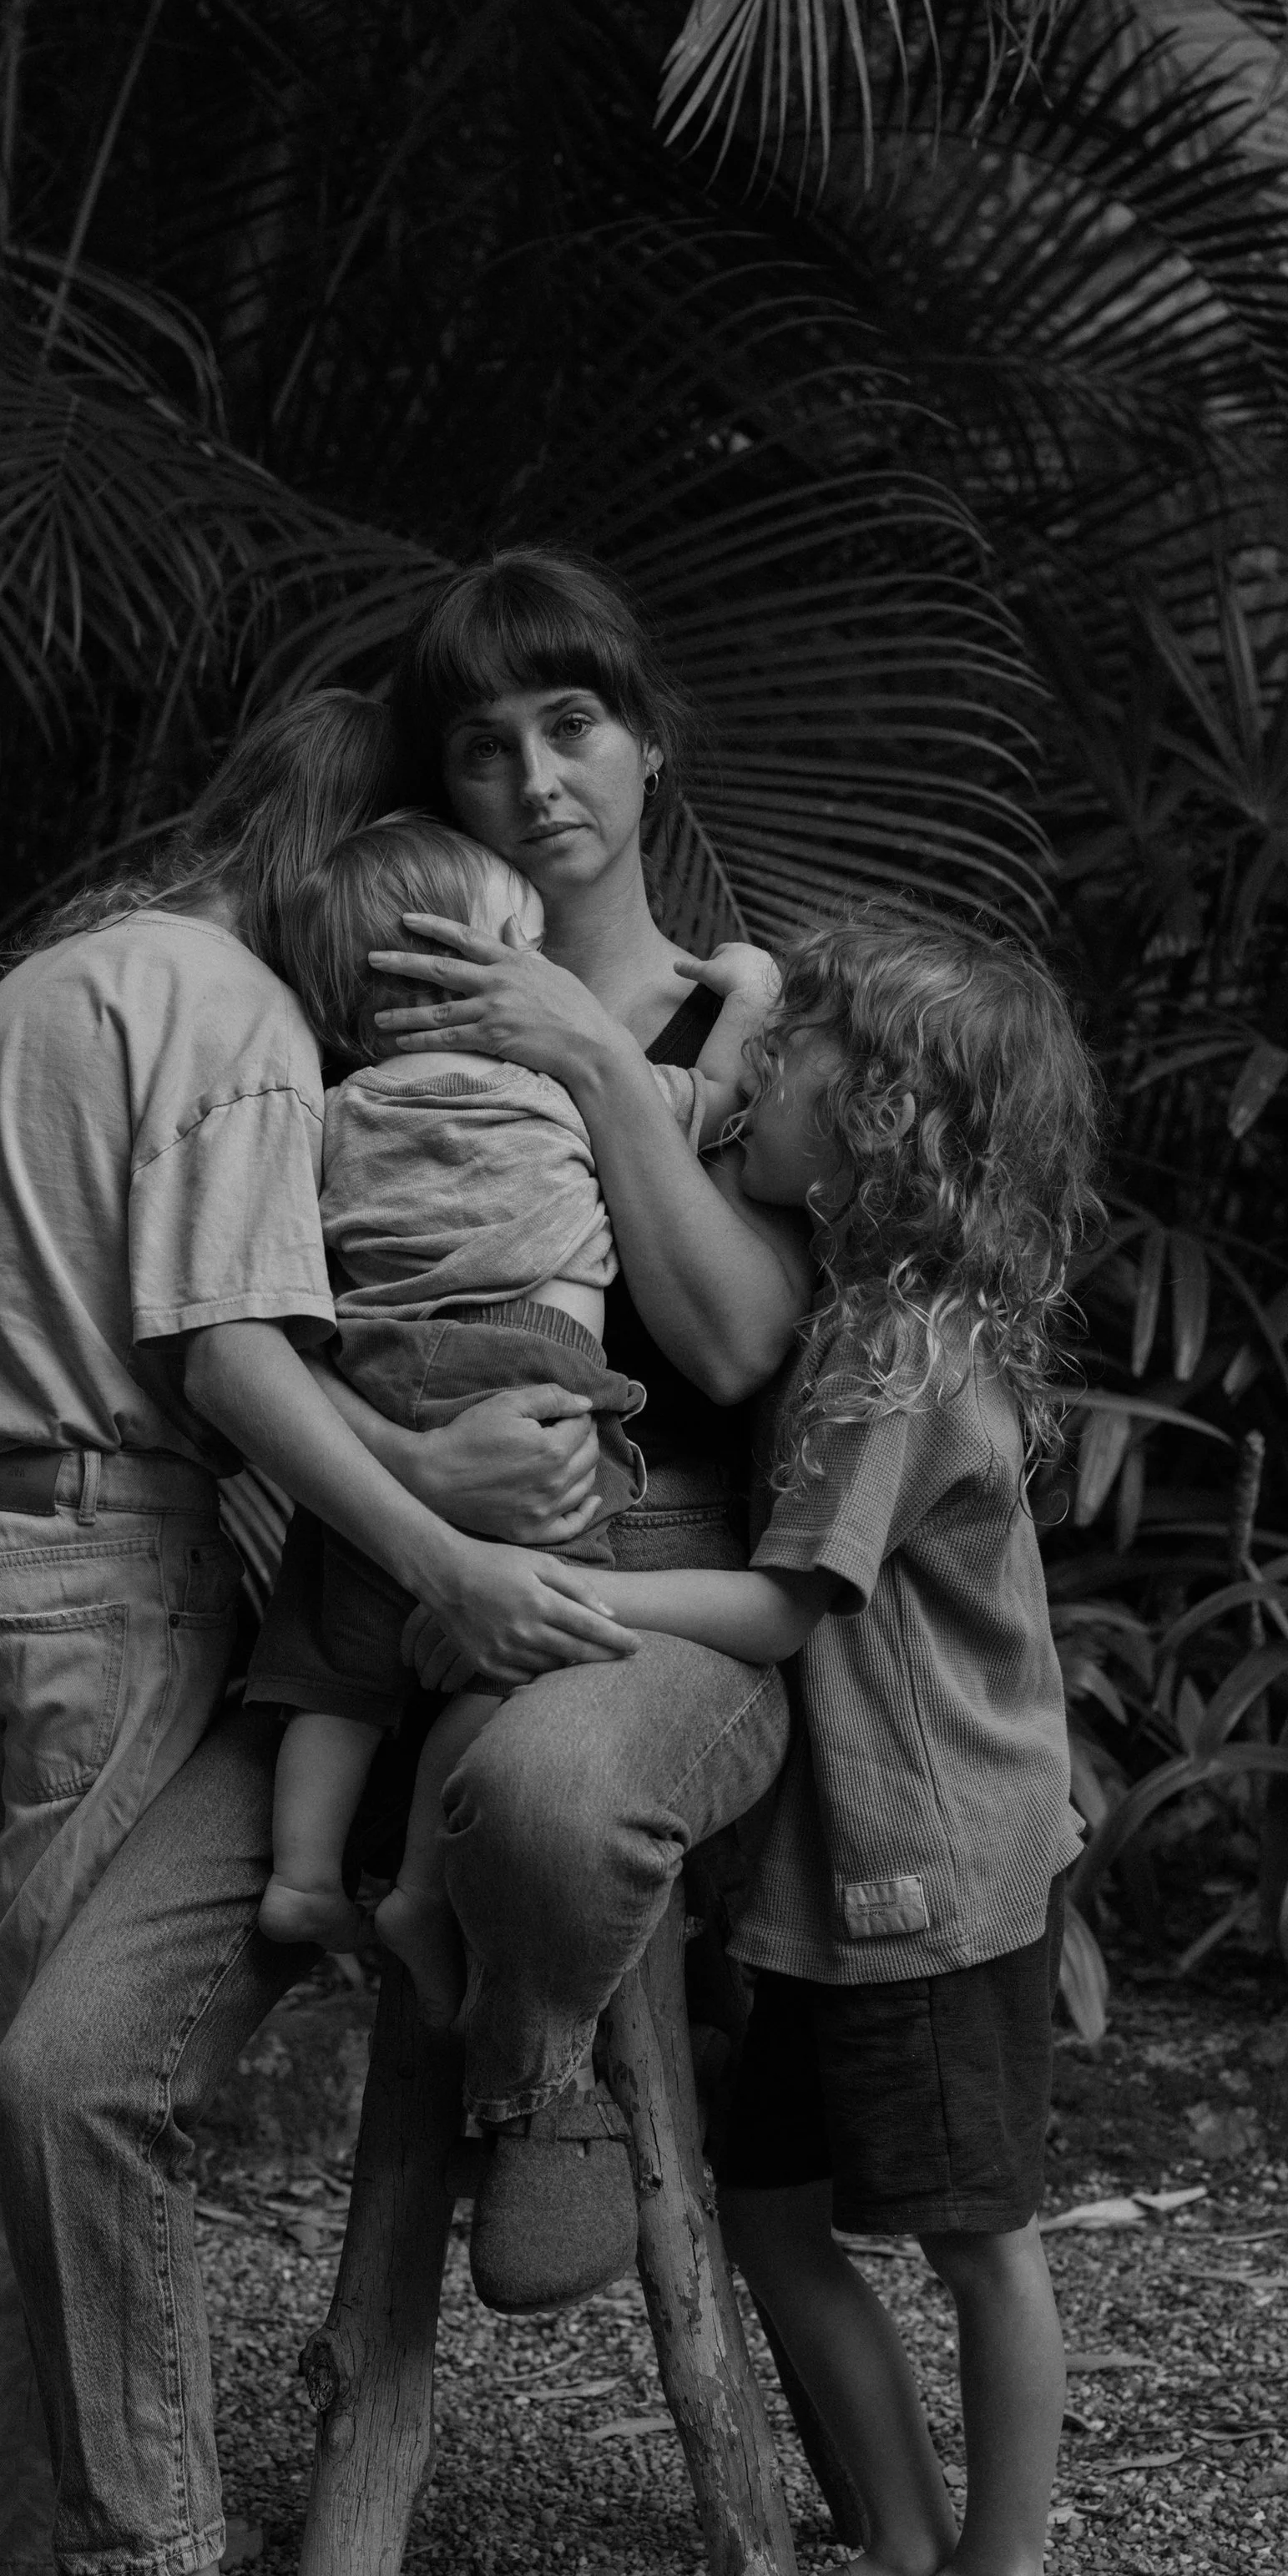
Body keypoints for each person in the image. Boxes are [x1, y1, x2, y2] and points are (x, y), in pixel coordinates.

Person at [0, 548, 815, 2576]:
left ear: (646, 739)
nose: (533, 776)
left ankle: (537, 2069)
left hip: (647, 1603)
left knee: (535, 1798)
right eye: (480, 742)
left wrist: (586, 1056)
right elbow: (275, 1318)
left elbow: (736, 1343)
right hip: (367, 1599)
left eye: (571, 723)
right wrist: (414, 1488)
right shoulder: (353, 987)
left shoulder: (747, 1017)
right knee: (60, 2063)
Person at [0, 691, 633, 2576]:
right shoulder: (238, 1018)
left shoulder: (64, 979)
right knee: (73, 2078)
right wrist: (433, 1526)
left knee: (40, 2064)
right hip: (94, 1555)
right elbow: (223, 1357)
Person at [527, 907, 1099, 2576]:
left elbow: (786, 1609)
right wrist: (732, 1018)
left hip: (932, 1874)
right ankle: (905, 2535)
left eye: (792, 1061)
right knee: (770, 2204)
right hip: (834, 1883)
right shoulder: (860, 1316)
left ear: (885, 1118)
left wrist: (566, 1590)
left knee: (978, 2236)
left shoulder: (896, 1360)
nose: (757, 1079)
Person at [247, 808, 771, 2028]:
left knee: (338, 1664)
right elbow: (717, 1099)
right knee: (527, 1654)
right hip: (529, 1375)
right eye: (523, 951)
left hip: (377, 1372)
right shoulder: (551, 1087)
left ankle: (301, 1873)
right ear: (481, 974)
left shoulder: (336, 1106)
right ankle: (421, 1889)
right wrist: (748, 993)